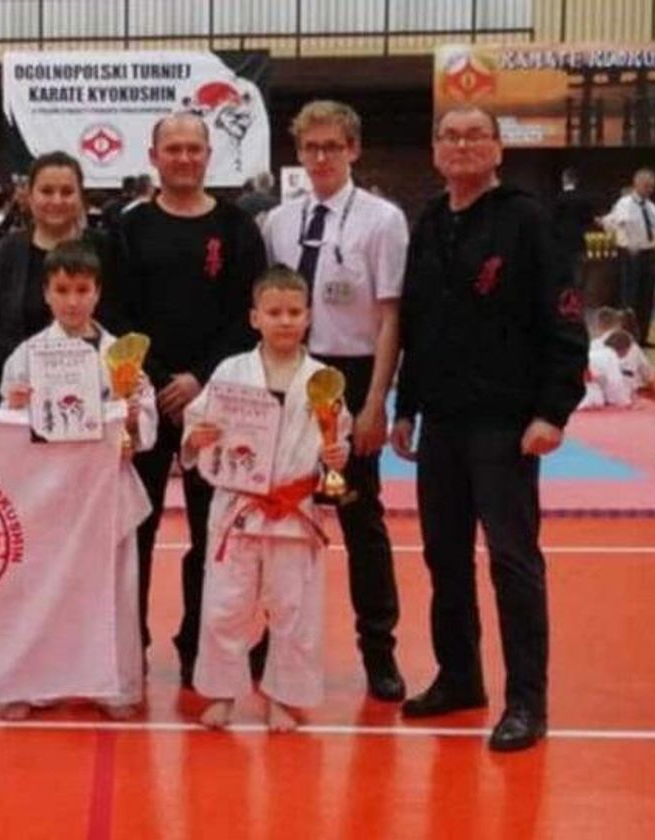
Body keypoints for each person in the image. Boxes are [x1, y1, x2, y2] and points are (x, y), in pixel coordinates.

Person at [391, 105, 587, 752]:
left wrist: (553, 411)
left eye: (476, 135)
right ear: (435, 149)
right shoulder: (428, 221)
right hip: (442, 421)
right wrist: (405, 408)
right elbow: (417, 324)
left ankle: (527, 700)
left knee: (512, 561)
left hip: (506, 423)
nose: (462, 145)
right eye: (449, 135)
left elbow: (565, 320)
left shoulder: (528, 220)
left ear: (499, 149)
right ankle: (459, 676)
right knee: (444, 557)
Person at [106, 111, 266, 684]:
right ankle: (130, 642)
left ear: (208, 155)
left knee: (212, 530)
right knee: (137, 527)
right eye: (172, 149)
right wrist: (155, 378)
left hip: (218, 401)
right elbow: (114, 312)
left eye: (193, 148)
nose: (183, 158)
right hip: (145, 399)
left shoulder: (237, 227)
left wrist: (199, 378)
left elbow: (249, 316)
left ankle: (201, 643)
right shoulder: (127, 228)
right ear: (153, 157)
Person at [259, 100, 407, 701]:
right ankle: (269, 641)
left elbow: (392, 315)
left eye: (332, 146)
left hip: (349, 375)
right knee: (274, 512)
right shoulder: (278, 221)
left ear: (354, 150)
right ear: (298, 153)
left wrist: (375, 402)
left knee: (359, 517)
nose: (321, 157)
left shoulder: (382, 220)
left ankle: (379, 650)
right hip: (286, 373)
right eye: (311, 147)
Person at [183, 267, 350, 732]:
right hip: (238, 508)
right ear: (254, 317)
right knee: (225, 606)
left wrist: (337, 455)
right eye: (274, 312)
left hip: (293, 509)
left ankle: (284, 697)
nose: (285, 321)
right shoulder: (230, 371)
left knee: (294, 611)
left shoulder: (325, 379)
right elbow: (197, 423)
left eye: (294, 312)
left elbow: (338, 434)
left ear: (309, 317)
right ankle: (222, 693)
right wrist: (198, 436)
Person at [0, 239, 156, 721]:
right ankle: (38, 683)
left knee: (114, 589)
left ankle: (115, 685)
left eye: (82, 290)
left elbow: (144, 422)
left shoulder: (122, 356)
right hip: (49, 493)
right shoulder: (27, 355)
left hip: (105, 490)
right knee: (43, 589)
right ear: (46, 293)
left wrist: (133, 421)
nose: (72, 301)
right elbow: (4, 427)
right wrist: (15, 408)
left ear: (98, 292)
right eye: (63, 290)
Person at [0, 152, 108, 406]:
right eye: (46, 191)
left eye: (67, 192)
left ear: (80, 197)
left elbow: (122, 321)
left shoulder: (106, 250)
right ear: (29, 196)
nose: (57, 200)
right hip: (18, 399)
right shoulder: (3, 255)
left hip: (95, 399)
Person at [603, 168, 655, 347]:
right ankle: (627, 338)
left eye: (652, 186)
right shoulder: (625, 203)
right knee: (630, 298)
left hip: (648, 253)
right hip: (631, 254)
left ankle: (642, 337)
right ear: (636, 183)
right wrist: (629, 245)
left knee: (647, 297)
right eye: (646, 185)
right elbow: (618, 225)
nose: (650, 189)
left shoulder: (651, 207)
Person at [550, 168, 597, 288]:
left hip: (561, 242)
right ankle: (577, 297)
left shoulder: (558, 198)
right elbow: (589, 219)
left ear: (564, 179)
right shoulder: (584, 198)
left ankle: (565, 297)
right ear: (576, 181)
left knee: (562, 274)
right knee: (578, 274)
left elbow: (552, 220)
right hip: (579, 241)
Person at [579, 330, 635, 410]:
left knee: (598, 396)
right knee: (595, 401)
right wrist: (626, 403)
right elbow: (615, 384)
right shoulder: (611, 357)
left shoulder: (602, 353)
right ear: (625, 349)